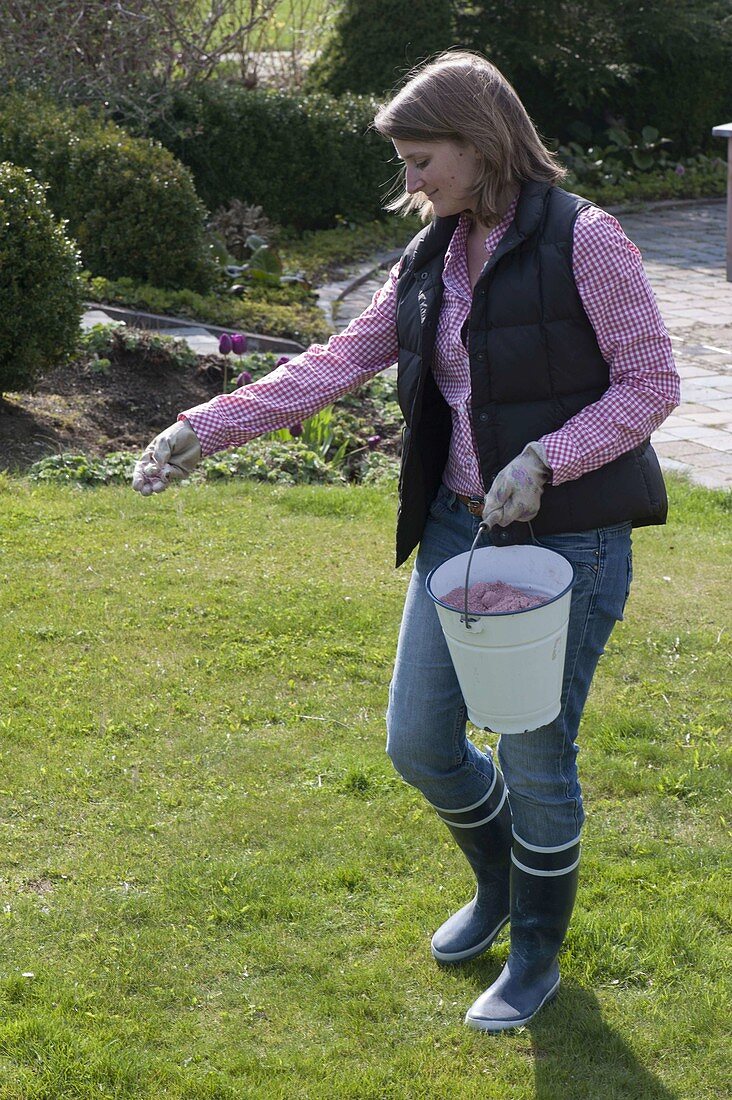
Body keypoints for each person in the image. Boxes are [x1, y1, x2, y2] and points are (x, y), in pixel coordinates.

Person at [132, 50, 680, 1032]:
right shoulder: (432, 255)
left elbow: (650, 386)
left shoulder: (587, 241)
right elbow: (336, 361)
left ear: (482, 144)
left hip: (569, 540)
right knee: (421, 740)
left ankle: (536, 954)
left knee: (533, 751)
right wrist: (199, 428)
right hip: (455, 529)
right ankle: (503, 881)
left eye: (423, 160)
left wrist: (549, 458)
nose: (410, 182)